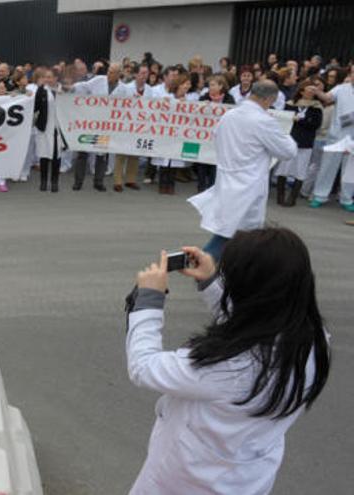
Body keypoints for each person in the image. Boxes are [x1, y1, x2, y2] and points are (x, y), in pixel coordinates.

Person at [126, 228, 330, 495]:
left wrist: (149, 300)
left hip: (187, 480)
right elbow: (253, 324)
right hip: (248, 477)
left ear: (245, 288)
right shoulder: (312, 340)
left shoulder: (226, 367)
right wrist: (211, 282)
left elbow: (143, 367)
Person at [188, 81, 297, 261]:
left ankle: (220, 265)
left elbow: (218, 139)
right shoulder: (264, 121)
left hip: (228, 179)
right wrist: (285, 134)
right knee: (235, 234)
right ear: (269, 99)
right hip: (248, 185)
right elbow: (288, 151)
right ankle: (201, 262)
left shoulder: (229, 115)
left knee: (233, 231)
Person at [71, 62, 124, 191]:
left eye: (112, 72)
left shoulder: (123, 88)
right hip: (91, 123)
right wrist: (69, 87)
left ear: (118, 74)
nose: (109, 74)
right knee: (83, 153)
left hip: (106, 126)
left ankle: (98, 182)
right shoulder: (99, 80)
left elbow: (131, 103)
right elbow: (83, 87)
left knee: (101, 154)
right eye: (109, 71)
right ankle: (78, 182)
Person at [275, 81, 322, 207]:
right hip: (289, 140)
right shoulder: (290, 105)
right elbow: (284, 119)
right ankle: (280, 196)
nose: (312, 91)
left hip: (305, 142)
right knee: (284, 168)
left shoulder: (316, 107)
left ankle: (292, 198)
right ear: (302, 91)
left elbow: (315, 124)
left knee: (300, 170)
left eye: (314, 90)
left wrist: (300, 120)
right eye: (310, 89)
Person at [311, 74, 354, 211]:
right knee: (327, 166)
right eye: (352, 73)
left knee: (350, 171)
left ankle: (346, 198)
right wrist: (318, 92)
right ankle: (319, 196)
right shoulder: (341, 88)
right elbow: (328, 97)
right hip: (336, 134)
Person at [111, 63, 150, 192]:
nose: (145, 76)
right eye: (142, 73)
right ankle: (117, 181)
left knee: (134, 153)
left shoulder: (150, 90)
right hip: (125, 124)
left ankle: (130, 180)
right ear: (135, 74)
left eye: (146, 73)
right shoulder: (124, 88)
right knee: (121, 154)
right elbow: (111, 100)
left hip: (140, 125)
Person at [195, 75, 236, 192]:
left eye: (213, 85)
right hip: (205, 135)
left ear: (221, 86)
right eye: (209, 85)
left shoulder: (229, 99)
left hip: (221, 135)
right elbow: (196, 113)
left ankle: (213, 186)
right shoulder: (204, 97)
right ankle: (201, 185)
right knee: (202, 160)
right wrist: (203, 105)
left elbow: (232, 114)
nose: (210, 87)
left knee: (216, 161)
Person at [34, 69, 63, 193]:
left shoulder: (64, 90)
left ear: (56, 78)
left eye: (50, 77)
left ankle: (55, 181)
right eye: (46, 77)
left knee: (57, 156)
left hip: (59, 127)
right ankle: (44, 181)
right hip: (44, 127)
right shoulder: (41, 90)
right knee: (44, 155)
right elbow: (35, 106)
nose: (47, 79)